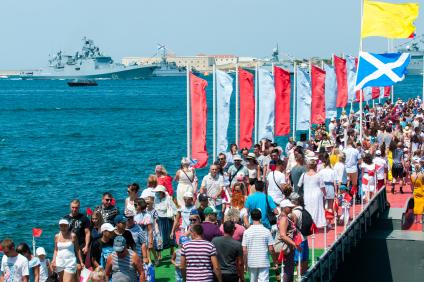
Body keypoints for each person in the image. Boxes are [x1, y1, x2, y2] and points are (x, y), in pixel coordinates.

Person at [242, 209, 278, 282]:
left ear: (251, 218)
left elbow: (244, 251)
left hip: (251, 261)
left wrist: (245, 264)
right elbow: (271, 249)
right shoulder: (266, 231)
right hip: (264, 261)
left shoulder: (246, 232)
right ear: (261, 217)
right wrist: (275, 261)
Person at [277, 199, 302, 282]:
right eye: (289, 207)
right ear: (284, 208)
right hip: (287, 247)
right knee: (288, 270)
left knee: (288, 269)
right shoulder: (284, 219)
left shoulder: (283, 217)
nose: (291, 208)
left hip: (288, 246)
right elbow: (283, 235)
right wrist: (294, 244)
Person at [298, 160, 326, 228]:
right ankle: (317, 223)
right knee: (317, 208)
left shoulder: (304, 175)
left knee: (308, 208)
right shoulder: (319, 175)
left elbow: (299, 185)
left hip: (307, 194)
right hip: (317, 194)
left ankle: (309, 224)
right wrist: (325, 194)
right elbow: (322, 187)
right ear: (315, 166)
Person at [153, 185, 177, 253]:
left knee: (170, 236)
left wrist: (175, 219)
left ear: (162, 192)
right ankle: (159, 254)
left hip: (167, 220)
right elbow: (154, 209)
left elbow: (175, 209)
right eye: (157, 192)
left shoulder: (168, 199)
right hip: (159, 220)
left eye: (158, 192)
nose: (157, 193)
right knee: (159, 237)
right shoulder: (156, 198)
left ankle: (172, 250)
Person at [289, 193, 309, 275]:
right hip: (304, 237)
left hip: (298, 239)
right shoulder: (303, 209)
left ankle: (299, 277)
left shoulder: (295, 212)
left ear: (294, 202)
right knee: (304, 259)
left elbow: (293, 225)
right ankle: (304, 276)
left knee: (298, 261)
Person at [411, 159, 424, 224]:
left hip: (415, 191)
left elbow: (412, 185)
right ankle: (421, 220)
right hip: (422, 191)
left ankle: (415, 219)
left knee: (415, 205)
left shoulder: (412, 175)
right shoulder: (422, 175)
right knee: (422, 205)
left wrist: (412, 191)